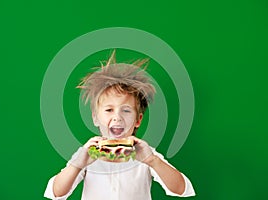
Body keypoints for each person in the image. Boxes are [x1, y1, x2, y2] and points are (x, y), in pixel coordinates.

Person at [44, 50, 195, 200]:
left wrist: (152, 161)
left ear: (138, 120)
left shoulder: (146, 153)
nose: (117, 117)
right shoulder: (87, 153)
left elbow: (181, 189)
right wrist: (77, 164)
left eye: (126, 110)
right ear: (95, 118)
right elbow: (57, 192)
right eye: (109, 110)